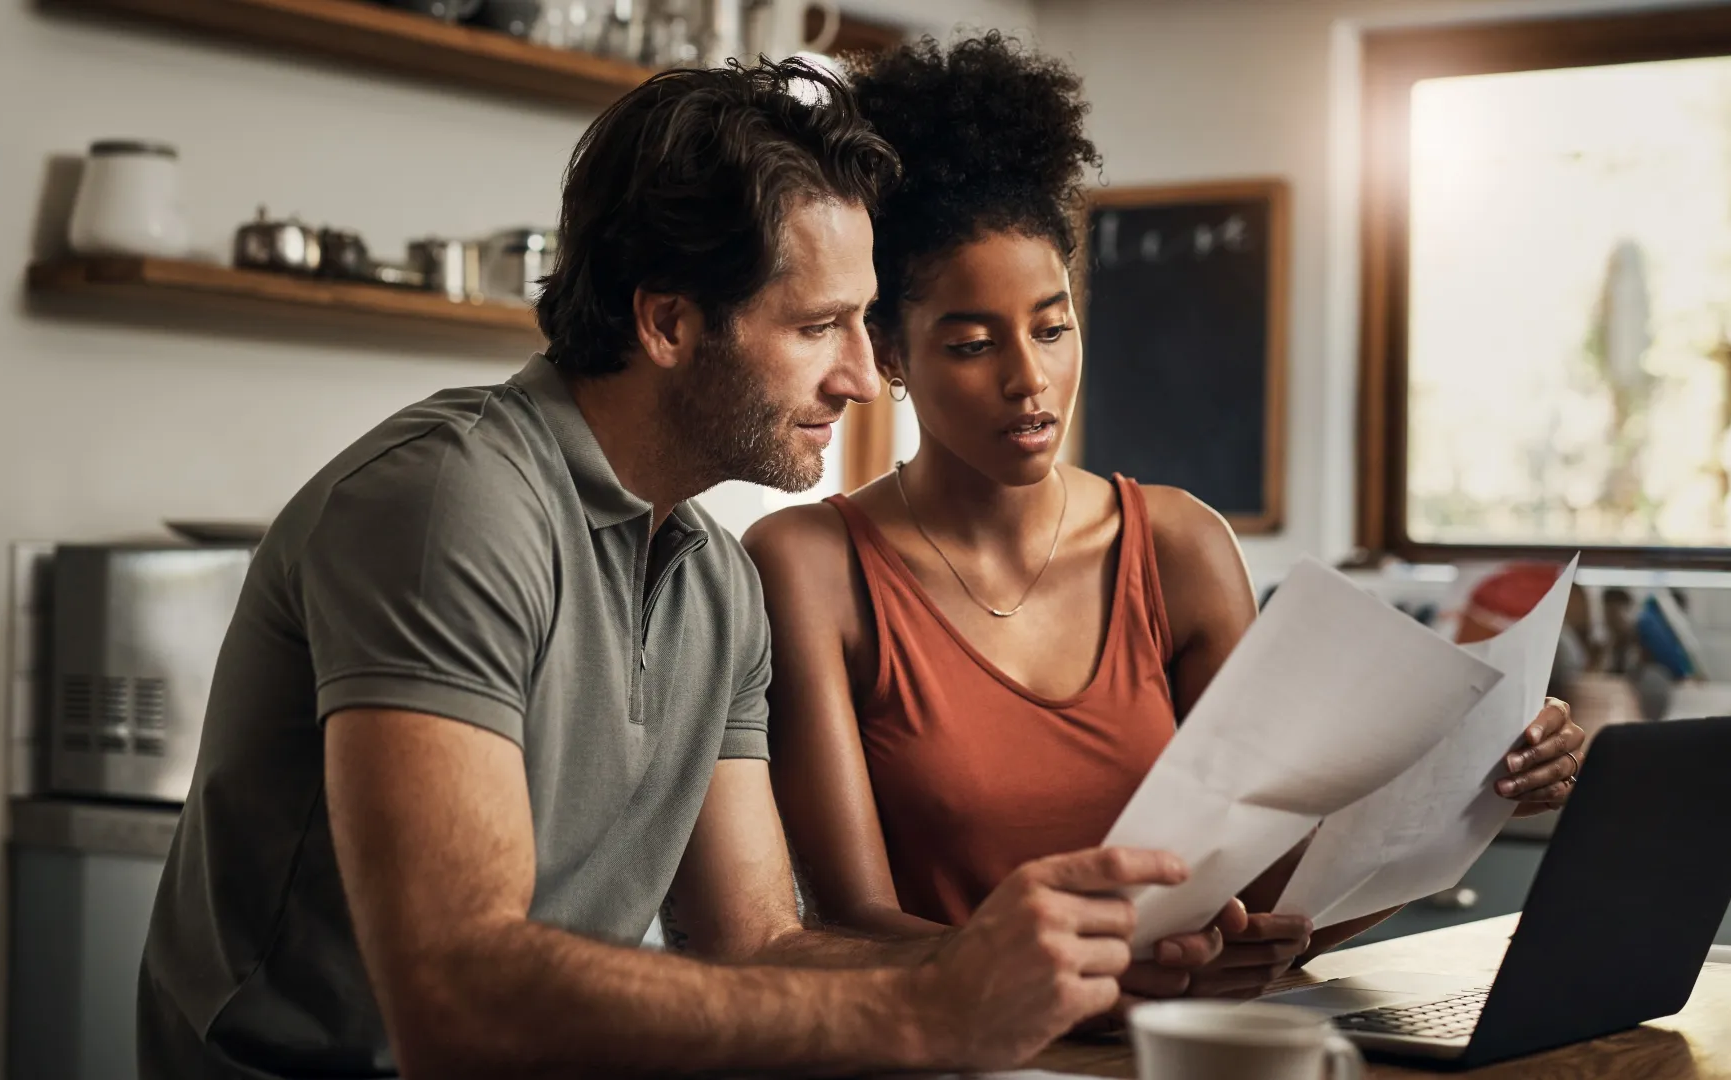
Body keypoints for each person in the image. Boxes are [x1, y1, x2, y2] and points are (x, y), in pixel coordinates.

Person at [137, 59, 1232, 1080]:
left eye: (864, 326)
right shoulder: (452, 506)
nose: (861, 377)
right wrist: (925, 1013)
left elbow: (754, 944)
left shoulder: (713, 579)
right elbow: (451, 996)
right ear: (667, 320)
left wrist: (1022, 967)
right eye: (819, 327)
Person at [744, 35, 1588, 1004]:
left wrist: (1481, 785)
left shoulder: (1178, 547)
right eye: (973, 343)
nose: (1031, 380)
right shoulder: (809, 565)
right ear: (887, 351)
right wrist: (1106, 979)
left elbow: (1273, 888)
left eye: (1054, 328)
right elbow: (851, 922)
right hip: (958, 1055)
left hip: (1179, 1048)